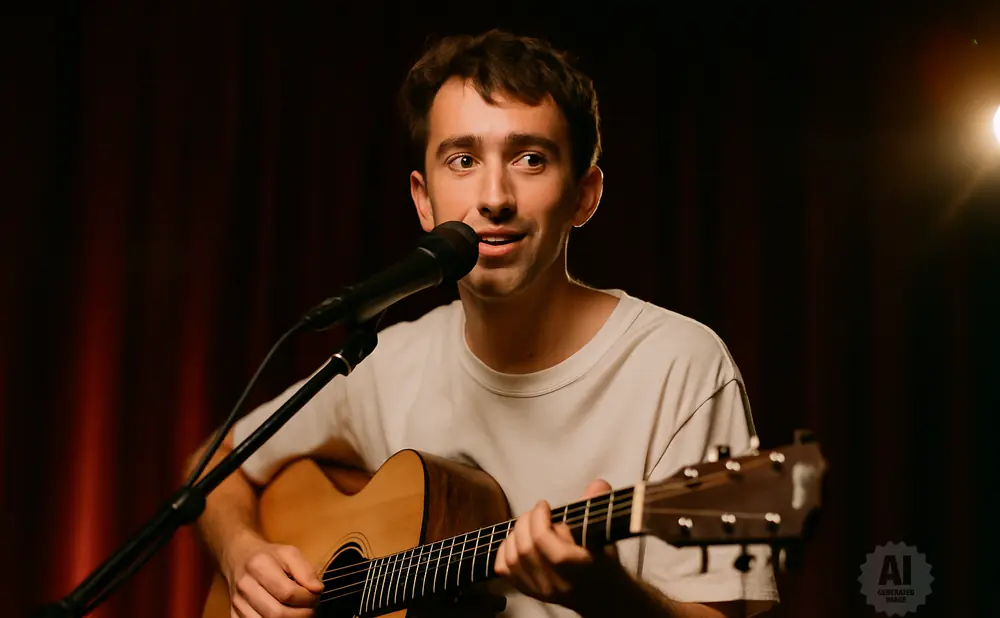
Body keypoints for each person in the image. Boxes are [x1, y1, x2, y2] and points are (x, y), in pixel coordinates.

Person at [188, 29, 780, 618]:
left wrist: (609, 596)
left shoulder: (681, 368)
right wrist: (242, 554)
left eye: (530, 158)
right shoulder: (387, 365)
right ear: (424, 200)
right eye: (463, 159)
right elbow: (211, 467)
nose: (494, 197)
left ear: (585, 195)